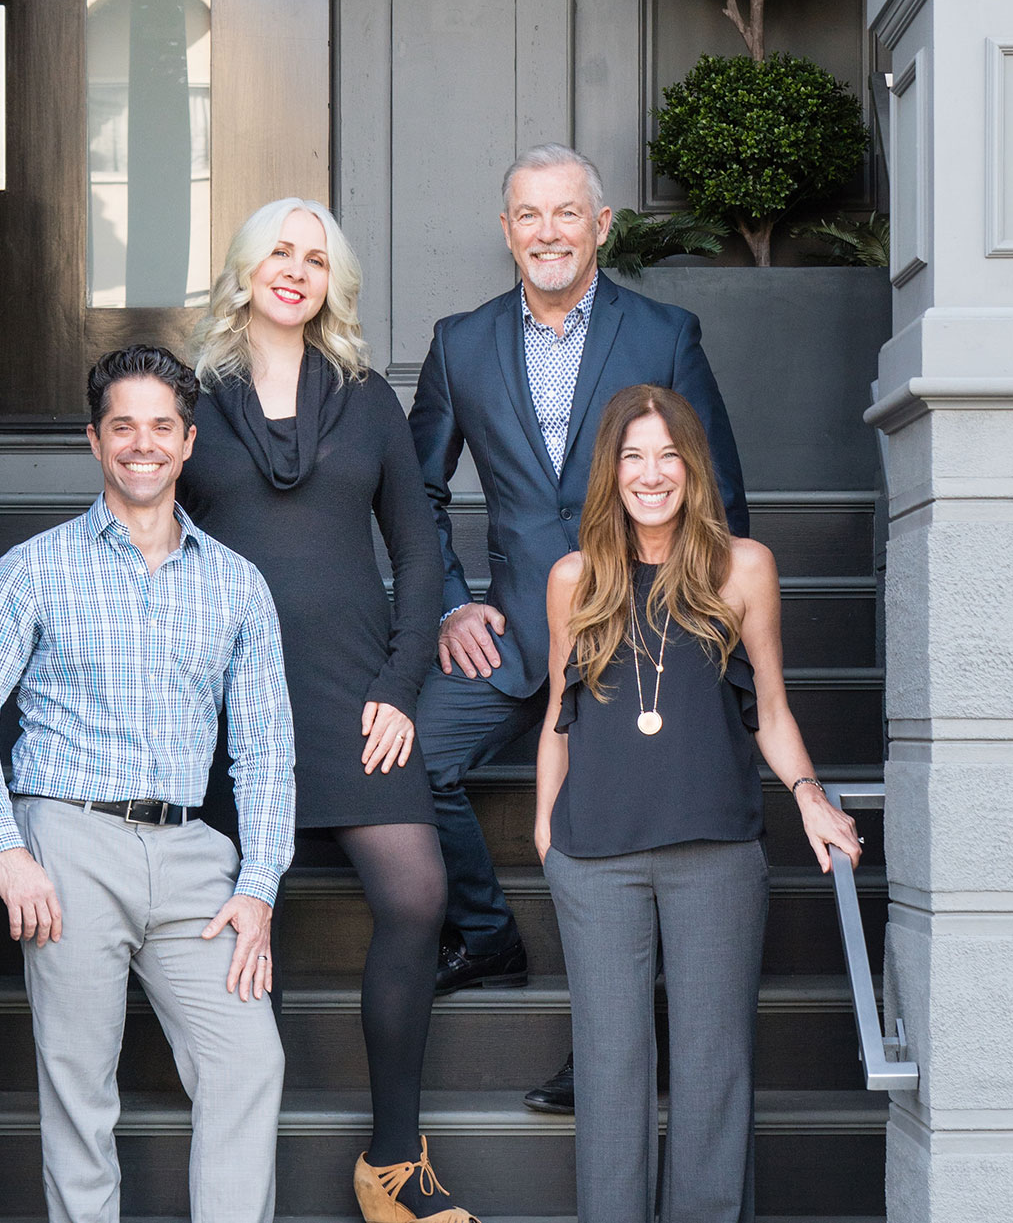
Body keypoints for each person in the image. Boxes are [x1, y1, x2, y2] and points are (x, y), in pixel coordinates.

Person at [408, 142, 749, 1112]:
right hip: (512, 632)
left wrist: (706, 640)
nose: (547, 232)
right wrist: (450, 599)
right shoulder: (459, 341)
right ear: (505, 229)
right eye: (528, 214)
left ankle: (622, 1033)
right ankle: (484, 933)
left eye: (567, 213)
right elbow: (415, 492)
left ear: (600, 226)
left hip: (646, 641)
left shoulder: (663, 331)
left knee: (625, 824)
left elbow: (719, 488)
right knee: (409, 761)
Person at [0, 345, 293, 1223]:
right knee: (80, 1088)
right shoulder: (36, 567)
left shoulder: (237, 585)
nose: (143, 444)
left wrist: (259, 886)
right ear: (96, 442)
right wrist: (10, 851)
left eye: (160, 427)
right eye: (122, 427)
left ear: (188, 441)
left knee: (250, 1061)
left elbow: (268, 747)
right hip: (69, 848)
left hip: (193, 861)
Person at [178, 198, 476, 1223]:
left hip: (356, 698)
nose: (294, 270)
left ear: (330, 282)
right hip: (223, 708)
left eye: (313, 257)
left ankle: (393, 1160)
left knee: (414, 892)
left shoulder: (366, 399)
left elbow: (420, 555)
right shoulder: (192, 397)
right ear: (244, 269)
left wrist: (398, 689)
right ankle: (232, 1167)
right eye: (277, 253)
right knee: (220, 920)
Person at [534, 384, 862, 1222]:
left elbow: (773, 709)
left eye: (668, 456)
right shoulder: (574, 578)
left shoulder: (743, 567)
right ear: (612, 471)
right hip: (595, 857)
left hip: (715, 852)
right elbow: (557, 719)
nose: (652, 474)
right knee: (610, 1072)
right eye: (633, 457)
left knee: (714, 1069)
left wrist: (810, 798)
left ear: (693, 467)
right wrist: (546, 832)